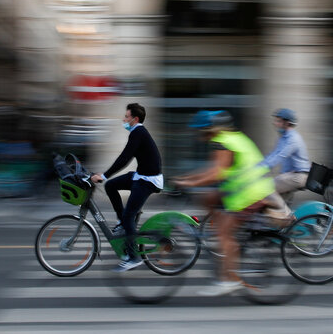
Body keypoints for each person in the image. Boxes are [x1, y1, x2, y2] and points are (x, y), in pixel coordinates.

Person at [172, 110, 276, 296]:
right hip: (243, 189)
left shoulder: (224, 143)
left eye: (199, 131)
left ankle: (229, 279)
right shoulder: (231, 137)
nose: (197, 135)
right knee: (208, 197)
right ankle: (217, 225)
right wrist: (187, 178)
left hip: (249, 194)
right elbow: (212, 170)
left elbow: (216, 174)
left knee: (224, 234)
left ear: (208, 130)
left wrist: (189, 183)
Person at [91, 103, 163, 272]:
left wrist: (104, 174)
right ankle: (122, 222)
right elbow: (125, 157)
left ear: (135, 119)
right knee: (111, 186)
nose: (124, 119)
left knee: (129, 214)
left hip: (148, 180)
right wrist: (107, 177)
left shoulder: (138, 132)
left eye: (126, 117)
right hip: (141, 175)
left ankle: (133, 257)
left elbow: (125, 158)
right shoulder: (137, 133)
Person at [258, 108, 311, 205]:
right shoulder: (284, 138)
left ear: (287, 123)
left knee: (265, 189)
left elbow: (279, 156)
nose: (275, 123)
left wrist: (260, 168)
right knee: (272, 206)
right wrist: (258, 165)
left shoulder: (293, 139)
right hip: (290, 175)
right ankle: (287, 218)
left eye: (278, 121)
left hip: (298, 176)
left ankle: (286, 216)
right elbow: (273, 154)